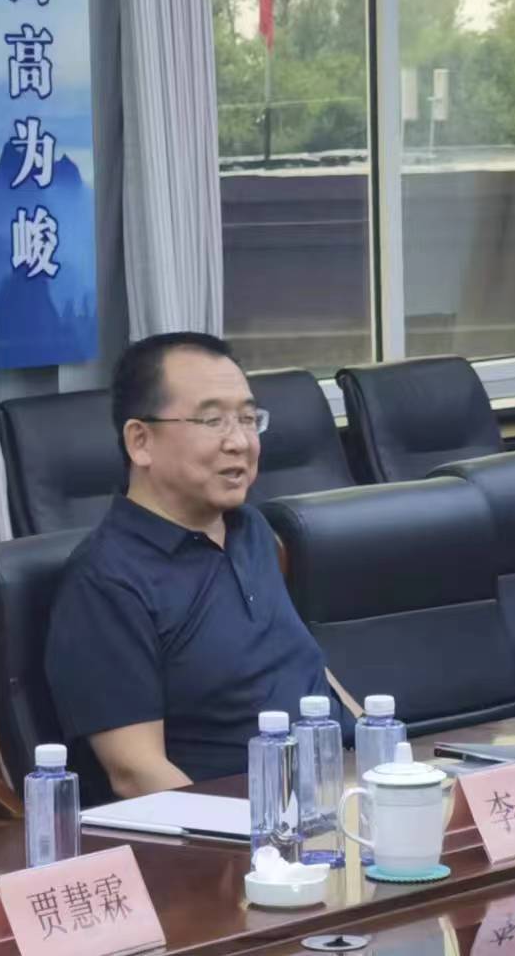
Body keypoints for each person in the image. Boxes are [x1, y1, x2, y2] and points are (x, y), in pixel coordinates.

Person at [43, 332, 344, 799]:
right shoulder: (108, 580)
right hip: (239, 825)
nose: (240, 442)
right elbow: (136, 772)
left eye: (248, 418)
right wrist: (260, 832)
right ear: (140, 441)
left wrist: (387, 761)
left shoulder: (252, 530)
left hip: (337, 795)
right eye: (213, 420)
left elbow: (305, 669)